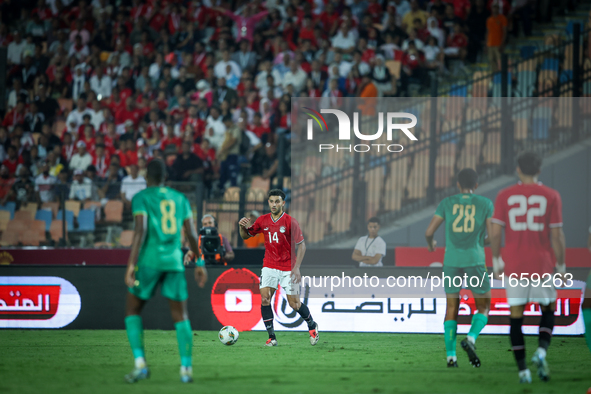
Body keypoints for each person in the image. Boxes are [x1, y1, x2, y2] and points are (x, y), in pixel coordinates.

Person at [123, 159, 207, 384]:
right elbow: (190, 231)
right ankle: (186, 369)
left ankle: (140, 364)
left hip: (149, 261)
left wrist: (131, 265)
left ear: (146, 177)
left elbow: (140, 229)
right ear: (165, 178)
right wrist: (199, 262)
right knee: (181, 316)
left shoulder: (141, 198)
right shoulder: (180, 199)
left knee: (133, 310)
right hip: (174, 262)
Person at [489, 151, 566, 384]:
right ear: (540, 170)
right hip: (542, 264)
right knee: (549, 309)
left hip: (514, 264)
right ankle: (541, 351)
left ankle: (523, 371)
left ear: (518, 170)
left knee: (515, 317)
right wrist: (561, 265)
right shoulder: (551, 195)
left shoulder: (505, 195)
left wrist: (496, 259)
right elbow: (557, 235)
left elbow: (495, 231)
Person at [425, 168, 493, 368]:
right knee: (483, 306)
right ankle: (471, 338)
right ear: (476, 185)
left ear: (457, 184)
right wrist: (481, 240)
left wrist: (431, 244)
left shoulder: (447, 203)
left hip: (451, 261)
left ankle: (451, 357)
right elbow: (493, 235)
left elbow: (429, 232)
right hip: (475, 259)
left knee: (452, 307)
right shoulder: (485, 204)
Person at [237, 189, 319, 347]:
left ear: (283, 203)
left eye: (277, 201)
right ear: (268, 202)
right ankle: (271, 337)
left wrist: (297, 268)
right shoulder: (262, 220)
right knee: (265, 299)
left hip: (288, 267)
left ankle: (312, 325)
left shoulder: (291, 222)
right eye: (271, 201)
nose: (274, 204)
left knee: (294, 304)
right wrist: (242, 227)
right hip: (269, 265)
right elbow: (246, 235)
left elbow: (302, 246)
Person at [486, 4, 507, 73]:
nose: (494, 10)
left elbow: (505, 32)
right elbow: (488, 32)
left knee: (500, 61)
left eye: (496, 8)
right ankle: (495, 75)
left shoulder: (502, 18)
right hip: (490, 44)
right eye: (493, 8)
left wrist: (502, 44)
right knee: (491, 60)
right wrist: (486, 44)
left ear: (498, 9)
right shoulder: (489, 19)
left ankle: (502, 76)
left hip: (498, 44)